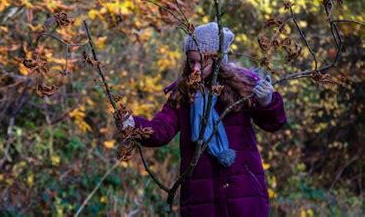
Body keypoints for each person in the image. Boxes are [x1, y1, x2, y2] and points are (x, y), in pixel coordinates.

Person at [121, 22, 286, 217]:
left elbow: (274, 123)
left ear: (218, 60)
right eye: (192, 62)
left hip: (244, 193)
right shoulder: (183, 94)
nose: (196, 69)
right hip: (200, 197)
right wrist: (132, 125)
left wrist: (267, 101)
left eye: (202, 62)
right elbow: (161, 130)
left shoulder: (242, 86)